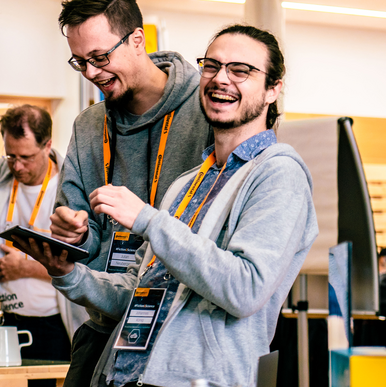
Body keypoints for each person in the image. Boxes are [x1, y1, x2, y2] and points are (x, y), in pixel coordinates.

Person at [20, 24, 319, 386]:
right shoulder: (186, 183)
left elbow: (245, 289)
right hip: (123, 376)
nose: (221, 79)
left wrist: (147, 220)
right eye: (212, 66)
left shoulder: (279, 174)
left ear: (273, 89)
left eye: (240, 70)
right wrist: (68, 273)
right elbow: (139, 291)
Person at [37, 0, 212, 386]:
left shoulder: (205, 111)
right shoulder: (89, 126)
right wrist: (74, 232)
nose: (91, 73)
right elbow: (83, 239)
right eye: (80, 62)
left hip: (179, 330)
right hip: (104, 325)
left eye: (100, 57)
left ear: (137, 40)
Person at [0, 105, 87, 385]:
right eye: (10, 156)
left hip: (53, 323)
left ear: (47, 145)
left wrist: (26, 268)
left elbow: (87, 266)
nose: (17, 166)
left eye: (26, 157)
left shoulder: (72, 185)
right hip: (2, 320)